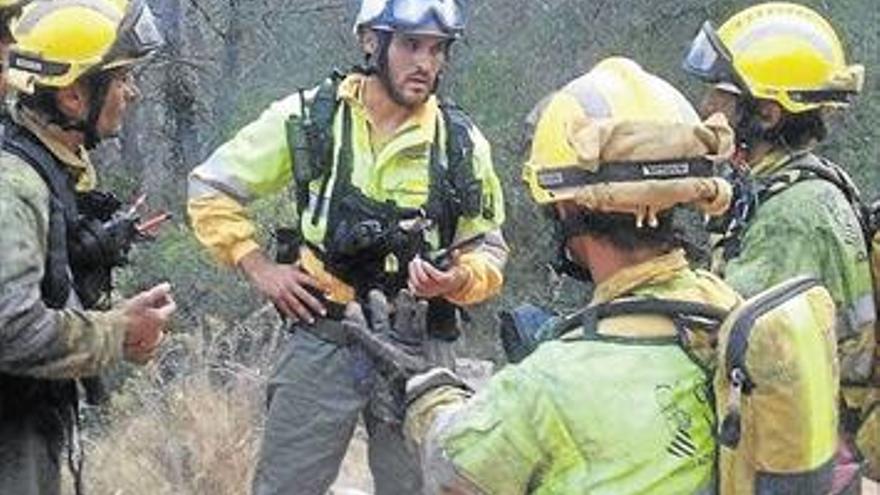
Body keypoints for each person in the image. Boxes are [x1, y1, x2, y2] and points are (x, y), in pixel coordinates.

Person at [370, 56, 741, 493]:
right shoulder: (727, 309)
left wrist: (426, 388)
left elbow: (454, 468)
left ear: (565, 206)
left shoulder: (548, 382)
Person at [187, 0, 507, 493]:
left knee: (423, 486)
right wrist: (259, 268)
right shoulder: (312, 119)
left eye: (438, 50)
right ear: (370, 41)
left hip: (420, 344)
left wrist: (459, 278)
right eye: (410, 45)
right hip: (324, 333)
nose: (426, 63)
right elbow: (210, 189)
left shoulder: (460, 143)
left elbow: (487, 247)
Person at [682, 3, 875, 490]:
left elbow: (733, 343)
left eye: (721, 96)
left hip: (802, 450)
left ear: (766, 113)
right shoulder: (789, 186)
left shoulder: (795, 213)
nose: (707, 108)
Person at [0, 1, 175, 494]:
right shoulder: (14, 185)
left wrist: (121, 323)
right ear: (75, 97)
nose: (132, 93)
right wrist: (116, 333)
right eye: (121, 79)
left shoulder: (45, 171)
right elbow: (10, 328)